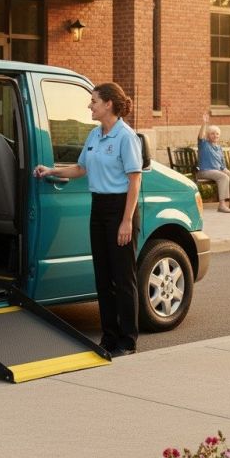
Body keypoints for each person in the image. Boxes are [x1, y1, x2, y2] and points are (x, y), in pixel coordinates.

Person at [33, 82, 142, 357]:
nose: (89, 105)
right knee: (103, 277)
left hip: (121, 208)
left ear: (108, 104)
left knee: (123, 278)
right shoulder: (94, 135)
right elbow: (81, 168)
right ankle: (109, 338)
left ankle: (127, 340)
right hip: (99, 208)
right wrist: (50, 171)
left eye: (93, 101)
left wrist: (127, 221)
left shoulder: (126, 137)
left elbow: (135, 180)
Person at [197, 113, 230, 213]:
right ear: (208, 135)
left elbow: (222, 165)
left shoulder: (219, 148)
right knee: (224, 177)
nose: (215, 135)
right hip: (205, 171)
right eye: (212, 134)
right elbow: (200, 136)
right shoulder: (204, 144)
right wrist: (204, 123)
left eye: (217, 134)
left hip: (218, 171)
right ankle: (222, 205)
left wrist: (227, 171)